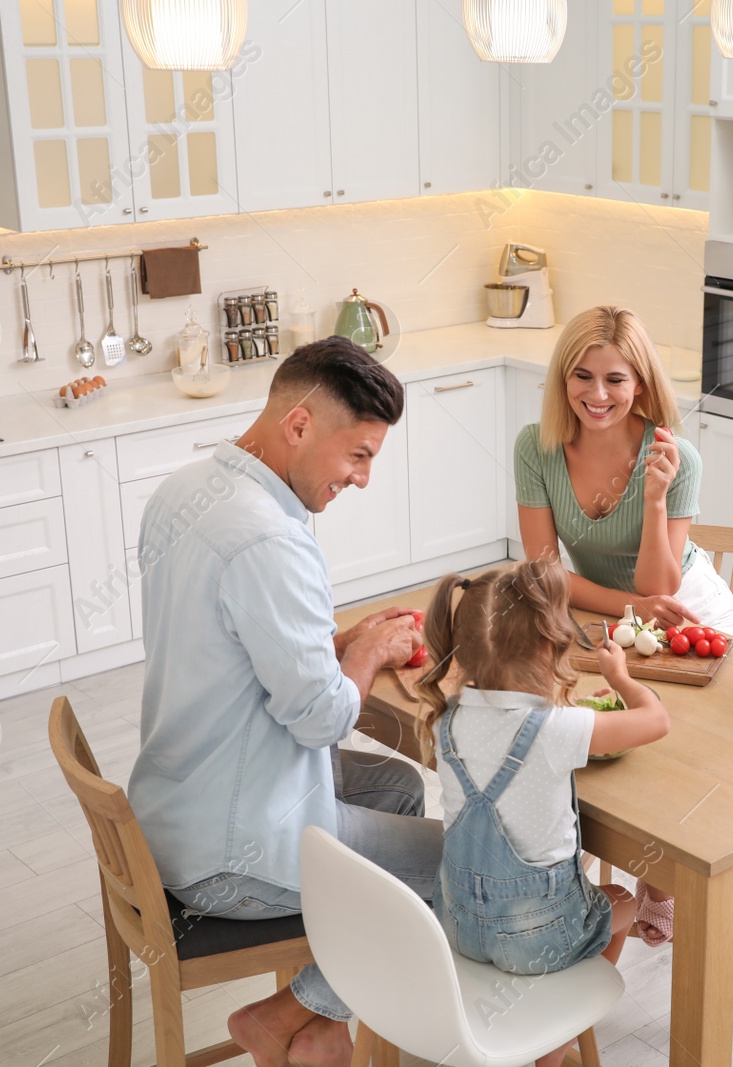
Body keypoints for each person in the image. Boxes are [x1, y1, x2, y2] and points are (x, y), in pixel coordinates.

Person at [127, 338, 441, 1067]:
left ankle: (334, 1019)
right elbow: (323, 718)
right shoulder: (268, 539)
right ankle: (287, 1013)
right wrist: (364, 655)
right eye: (357, 455)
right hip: (231, 855)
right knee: (467, 869)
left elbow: (236, 651)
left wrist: (336, 643)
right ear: (299, 427)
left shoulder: (186, 488)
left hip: (176, 802)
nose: (362, 479)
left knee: (399, 786)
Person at [515, 305, 733, 944]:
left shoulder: (676, 456)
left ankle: (662, 874)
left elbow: (659, 586)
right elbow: (542, 573)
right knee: (595, 728)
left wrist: (652, 500)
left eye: (615, 379)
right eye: (582, 376)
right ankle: (587, 871)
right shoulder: (536, 449)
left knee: (671, 743)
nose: (597, 394)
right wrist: (622, 609)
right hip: (605, 609)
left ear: (640, 381)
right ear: (563, 380)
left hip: (684, 603)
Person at [415, 559, 669, 1067]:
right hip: (537, 940)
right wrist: (620, 678)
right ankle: (554, 1050)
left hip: (459, 926)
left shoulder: (447, 721)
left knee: (577, 890)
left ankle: (543, 1035)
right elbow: (655, 720)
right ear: (546, 647)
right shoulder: (556, 728)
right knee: (621, 899)